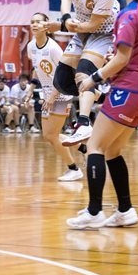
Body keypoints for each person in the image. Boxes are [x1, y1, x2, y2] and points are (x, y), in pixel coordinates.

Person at [66, 0, 138, 229]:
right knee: (113, 151)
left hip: (128, 88)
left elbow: (122, 58)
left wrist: (94, 78)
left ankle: (94, 211)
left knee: (95, 147)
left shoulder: (128, 15)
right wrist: (124, 61)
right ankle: (125, 210)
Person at [46, 0, 121, 145]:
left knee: (83, 72)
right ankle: (96, 93)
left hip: (103, 32)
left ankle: (84, 123)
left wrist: (63, 27)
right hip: (81, 28)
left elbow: (92, 25)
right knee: (61, 82)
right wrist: (65, 18)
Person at [28, 12, 82, 181]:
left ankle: (74, 168)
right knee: (48, 135)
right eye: (32, 21)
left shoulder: (53, 48)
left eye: (38, 22)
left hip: (61, 94)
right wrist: (31, 89)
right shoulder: (31, 46)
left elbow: (65, 74)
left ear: (47, 26)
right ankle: (82, 146)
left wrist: (53, 95)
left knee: (52, 135)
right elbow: (37, 68)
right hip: (47, 94)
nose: (34, 24)